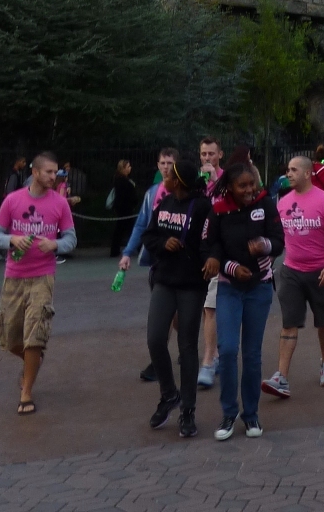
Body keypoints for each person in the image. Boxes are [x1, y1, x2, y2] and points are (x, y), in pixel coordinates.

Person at [0, 151, 77, 415]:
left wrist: (56, 244)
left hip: (43, 275)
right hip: (14, 275)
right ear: (35, 172)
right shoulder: (13, 200)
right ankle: (33, 359)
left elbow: (71, 239)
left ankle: (26, 392)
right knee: (8, 336)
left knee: (35, 334)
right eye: (49, 172)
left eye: (56, 172)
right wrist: (12, 240)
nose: (54, 176)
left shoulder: (60, 204)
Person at [208, 159, 285, 440]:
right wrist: (229, 267)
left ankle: (251, 414)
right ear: (230, 187)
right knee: (228, 349)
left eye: (252, 184)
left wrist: (264, 245)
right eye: (242, 186)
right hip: (229, 287)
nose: (250, 190)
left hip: (259, 286)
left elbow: (279, 240)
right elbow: (211, 245)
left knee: (252, 354)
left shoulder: (265, 204)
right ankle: (229, 413)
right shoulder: (219, 208)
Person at [140, 154, 215, 437]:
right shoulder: (165, 203)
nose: (165, 178)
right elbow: (149, 236)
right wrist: (163, 242)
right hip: (164, 280)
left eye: (170, 175)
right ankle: (169, 393)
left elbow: (210, 240)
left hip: (191, 284)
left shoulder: (202, 207)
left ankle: (188, 410)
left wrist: (211, 259)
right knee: (155, 338)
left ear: (180, 181)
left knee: (187, 346)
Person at [262, 156, 324, 399]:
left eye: (293, 170)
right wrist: (268, 262)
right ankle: (281, 377)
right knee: (289, 321)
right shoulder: (283, 202)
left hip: (320, 272)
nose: (288, 174)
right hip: (291, 271)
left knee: (323, 320)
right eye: (287, 169)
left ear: (308, 173)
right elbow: (278, 238)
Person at [118, 147, 176, 385]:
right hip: (158, 261)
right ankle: (159, 360)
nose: (166, 167)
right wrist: (127, 253)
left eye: (170, 163)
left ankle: (198, 352)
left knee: (179, 315)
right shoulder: (152, 193)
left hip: (182, 262)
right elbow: (141, 225)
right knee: (163, 313)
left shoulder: (186, 192)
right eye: (162, 163)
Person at [197, 137, 224, 389]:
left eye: (211, 154)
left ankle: (208, 359)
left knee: (211, 307)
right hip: (197, 250)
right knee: (205, 308)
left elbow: (226, 208)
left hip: (219, 251)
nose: (207, 158)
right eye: (204, 154)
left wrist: (215, 180)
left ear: (220, 155)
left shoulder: (226, 180)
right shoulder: (195, 180)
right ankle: (216, 352)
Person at [109, 160, 139, 259]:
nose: (130, 168)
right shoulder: (123, 181)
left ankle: (115, 250)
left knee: (121, 229)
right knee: (131, 229)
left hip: (122, 208)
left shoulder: (119, 180)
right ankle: (139, 248)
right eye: (128, 166)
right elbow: (129, 195)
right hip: (125, 208)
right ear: (123, 169)